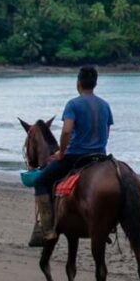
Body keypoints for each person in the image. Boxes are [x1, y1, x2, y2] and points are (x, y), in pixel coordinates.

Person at [28, 65, 114, 247]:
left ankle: (48, 229)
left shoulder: (73, 104)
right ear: (95, 84)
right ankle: (110, 224)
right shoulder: (105, 105)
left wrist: (62, 152)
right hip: (100, 157)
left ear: (78, 83)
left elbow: (66, 131)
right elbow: (106, 132)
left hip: (76, 156)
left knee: (41, 182)